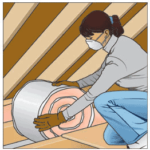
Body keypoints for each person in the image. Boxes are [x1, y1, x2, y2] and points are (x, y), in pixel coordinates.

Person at [34, 11, 147, 148]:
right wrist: (77, 84)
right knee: (111, 138)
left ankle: (142, 142)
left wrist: (60, 117)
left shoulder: (119, 57)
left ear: (105, 32)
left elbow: (92, 94)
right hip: (139, 102)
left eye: (91, 36)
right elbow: (101, 74)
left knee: (103, 101)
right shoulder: (119, 44)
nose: (89, 41)